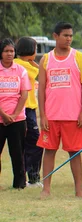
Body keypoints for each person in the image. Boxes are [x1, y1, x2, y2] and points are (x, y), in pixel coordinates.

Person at [37, 22, 82, 198]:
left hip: (72, 116)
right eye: (65, 35)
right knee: (49, 151)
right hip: (51, 116)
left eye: (71, 35)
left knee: (74, 152)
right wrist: (43, 115)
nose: (69, 38)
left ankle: (79, 190)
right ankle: (46, 188)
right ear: (55, 36)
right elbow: (41, 89)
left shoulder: (79, 58)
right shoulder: (46, 59)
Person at [0, 38, 31, 189]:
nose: (9, 54)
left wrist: (14, 115)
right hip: (1, 118)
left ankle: (19, 183)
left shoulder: (21, 70)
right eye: (6, 51)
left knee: (17, 153)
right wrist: (4, 115)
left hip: (17, 119)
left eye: (12, 51)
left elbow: (24, 94)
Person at [14, 37, 43, 187]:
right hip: (26, 109)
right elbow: (42, 71)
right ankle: (33, 177)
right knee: (36, 142)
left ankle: (23, 177)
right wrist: (33, 62)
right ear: (29, 50)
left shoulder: (17, 63)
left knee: (23, 144)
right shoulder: (24, 66)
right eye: (35, 49)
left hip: (22, 108)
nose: (36, 52)